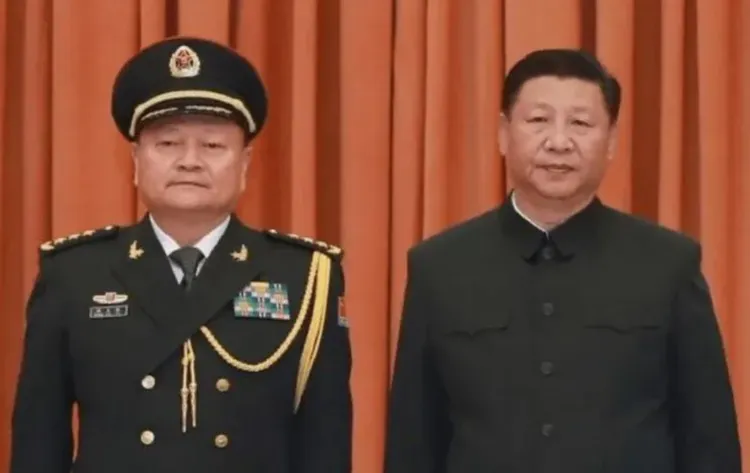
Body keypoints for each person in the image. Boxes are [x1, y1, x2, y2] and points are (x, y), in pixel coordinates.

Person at [384, 48, 741, 473]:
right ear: (503, 133)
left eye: (580, 123)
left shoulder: (668, 265)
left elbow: (709, 441)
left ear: (611, 140)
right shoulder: (439, 268)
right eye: (538, 120)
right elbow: (412, 443)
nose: (558, 142)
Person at [10, 36, 352, 473]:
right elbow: (38, 442)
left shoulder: (306, 277)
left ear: (245, 163)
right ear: (136, 160)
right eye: (168, 144)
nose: (190, 161)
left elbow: (325, 444)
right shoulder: (75, 275)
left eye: (212, 146)